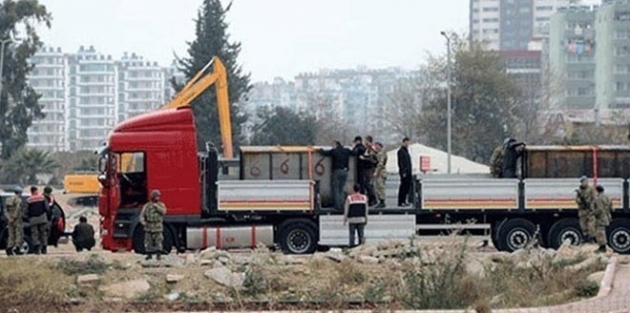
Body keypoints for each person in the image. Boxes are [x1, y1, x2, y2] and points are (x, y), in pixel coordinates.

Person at [320, 141, 354, 211]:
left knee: (336, 189)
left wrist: (320, 149)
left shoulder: (334, 151)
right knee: (341, 189)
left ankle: (337, 206)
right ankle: (342, 204)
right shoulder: (346, 151)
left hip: (337, 171)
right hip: (345, 171)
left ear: (336, 145)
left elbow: (324, 153)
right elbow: (354, 152)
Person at [139, 190, 167, 260]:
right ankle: (149, 255)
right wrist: (143, 222)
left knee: (158, 241)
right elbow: (142, 215)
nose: (158, 198)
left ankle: (159, 255)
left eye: (158, 196)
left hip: (157, 226)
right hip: (149, 226)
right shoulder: (147, 206)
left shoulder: (161, 205)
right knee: (148, 242)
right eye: (156, 196)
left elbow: (163, 212)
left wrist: (156, 207)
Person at [26, 186, 49, 255]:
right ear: (36, 191)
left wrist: (27, 217)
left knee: (34, 234)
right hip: (42, 218)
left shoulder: (29, 200)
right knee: (43, 233)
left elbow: (26, 210)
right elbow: (47, 208)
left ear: (31, 191)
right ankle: (44, 248)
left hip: (33, 219)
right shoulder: (42, 198)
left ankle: (36, 249)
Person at [575, 176, 596, 243]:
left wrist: (591, 205)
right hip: (582, 210)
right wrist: (580, 201)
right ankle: (585, 237)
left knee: (591, 225)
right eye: (583, 182)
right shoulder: (580, 190)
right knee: (583, 225)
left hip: (590, 210)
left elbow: (594, 198)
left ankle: (591, 238)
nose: (584, 183)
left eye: (585, 181)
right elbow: (577, 199)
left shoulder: (591, 189)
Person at [4, 186, 24, 256]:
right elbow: (18, 209)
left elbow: (5, 210)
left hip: (10, 220)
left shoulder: (8, 199)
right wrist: (14, 217)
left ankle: (9, 248)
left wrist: (9, 218)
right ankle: (17, 249)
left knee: (11, 235)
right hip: (17, 219)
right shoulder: (18, 199)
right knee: (19, 234)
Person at [593, 185, 613, 253]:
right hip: (607, 216)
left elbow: (599, 209)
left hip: (601, 217)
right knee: (603, 231)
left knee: (600, 232)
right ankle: (603, 247)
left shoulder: (599, 198)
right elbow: (611, 207)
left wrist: (593, 213)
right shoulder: (607, 197)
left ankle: (602, 247)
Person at [360, 135, 378, 206]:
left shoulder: (371, 149)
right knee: (366, 184)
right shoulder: (366, 149)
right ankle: (370, 199)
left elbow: (373, 159)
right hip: (366, 168)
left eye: (365, 141)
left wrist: (364, 158)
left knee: (368, 184)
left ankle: (373, 199)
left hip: (369, 168)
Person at [397, 137, 412, 207]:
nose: (408, 144)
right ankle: (401, 201)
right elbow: (401, 163)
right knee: (403, 186)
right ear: (404, 142)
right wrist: (403, 172)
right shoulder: (401, 151)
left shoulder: (406, 151)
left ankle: (404, 200)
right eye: (406, 142)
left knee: (407, 187)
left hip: (408, 172)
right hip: (404, 172)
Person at [373, 142, 388, 208]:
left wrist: (376, 171)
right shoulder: (378, 153)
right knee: (377, 187)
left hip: (381, 172)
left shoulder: (382, 153)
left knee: (380, 186)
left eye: (377, 146)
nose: (376, 148)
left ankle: (382, 201)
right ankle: (380, 200)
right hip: (380, 171)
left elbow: (380, 164)